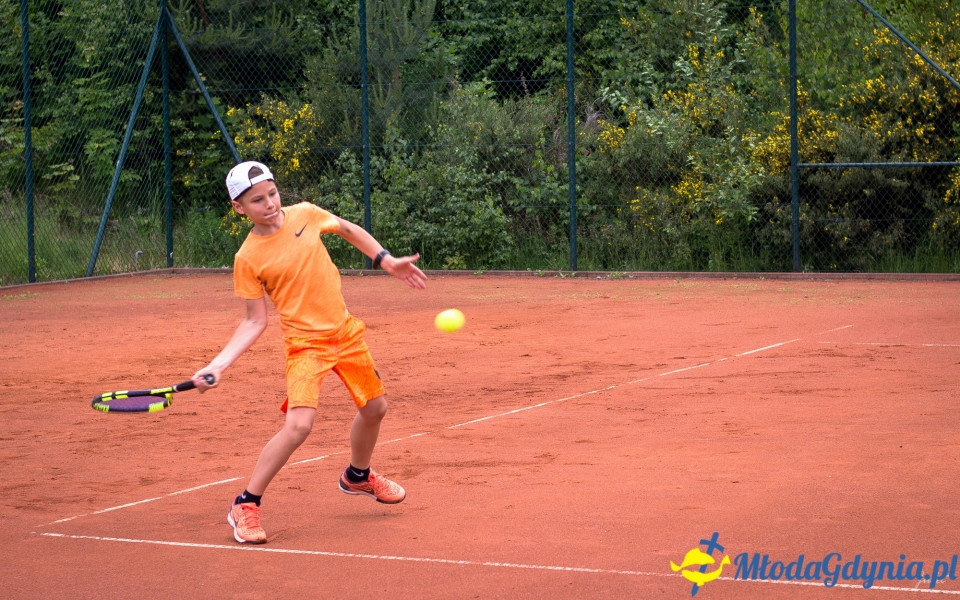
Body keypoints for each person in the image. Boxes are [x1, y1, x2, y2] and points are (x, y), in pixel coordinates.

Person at [192, 160, 427, 544]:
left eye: (272, 193)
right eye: (256, 200)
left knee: (376, 408)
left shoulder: (305, 213)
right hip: (306, 345)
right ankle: (246, 503)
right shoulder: (247, 258)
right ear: (238, 207)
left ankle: (357, 476)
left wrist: (385, 260)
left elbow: (348, 230)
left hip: (346, 333)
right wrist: (219, 364)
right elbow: (254, 321)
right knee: (299, 426)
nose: (269, 204)